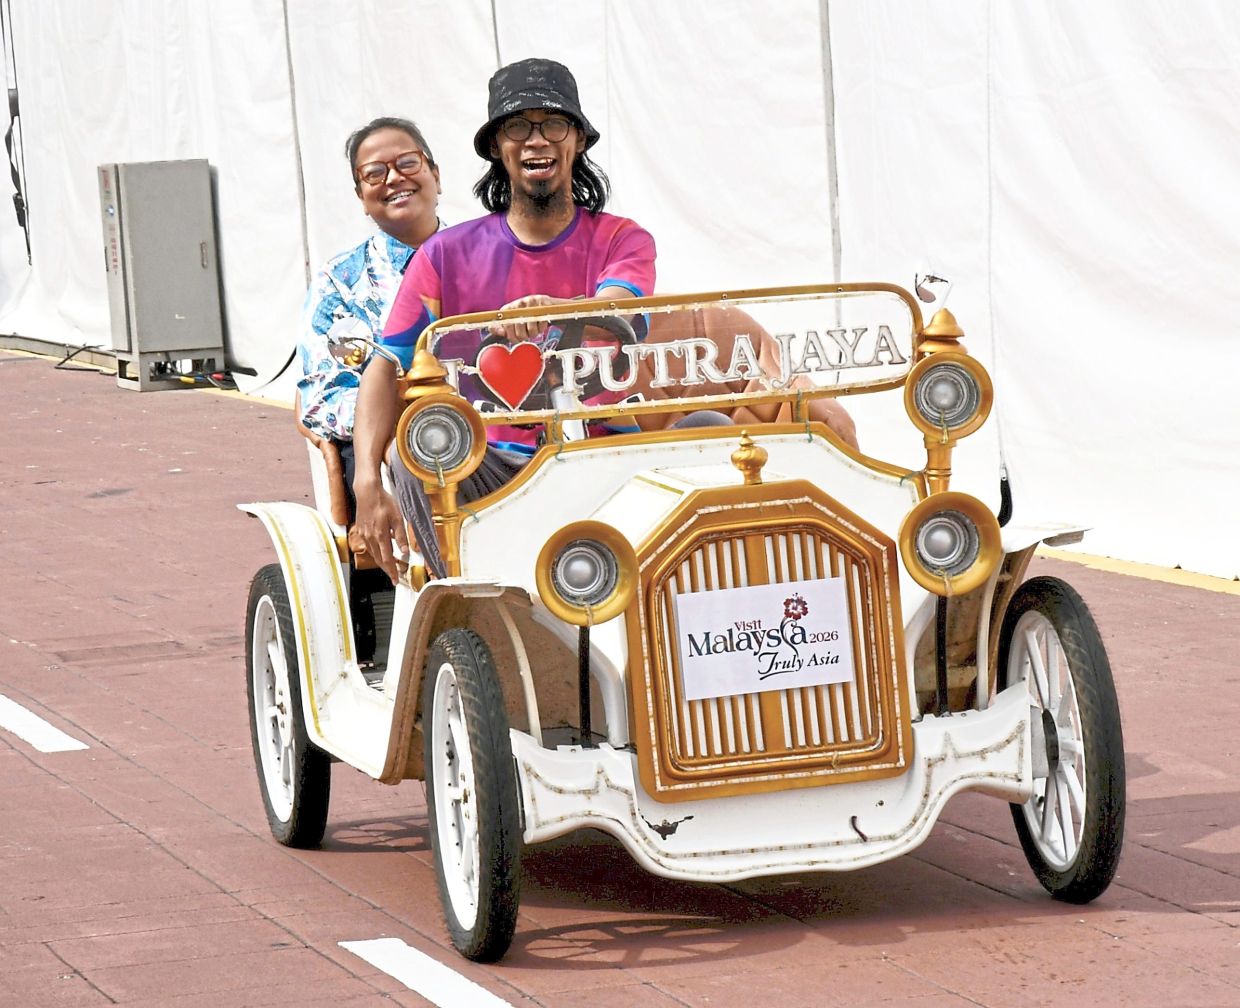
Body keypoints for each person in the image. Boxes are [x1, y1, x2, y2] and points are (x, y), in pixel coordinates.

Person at [352, 58, 657, 583]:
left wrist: (557, 311)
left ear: (578, 140)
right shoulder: (445, 255)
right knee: (415, 454)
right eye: (518, 126)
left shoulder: (621, 239)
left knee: (710, 434)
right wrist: (365, 485)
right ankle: (464, 610)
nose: (536, 141)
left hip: (606, 453)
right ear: (497, 146)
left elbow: (619, 303)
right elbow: (384, 366)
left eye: (554, 124)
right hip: (490, 463)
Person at [296, 116, 442, 514]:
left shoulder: (487, 256)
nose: (394, 178)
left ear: (435, 175)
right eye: (375, 173)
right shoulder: (338, 282)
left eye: (408, 163)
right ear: (362, 196)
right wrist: (401, 420)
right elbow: (321, 397)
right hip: (381, 448)